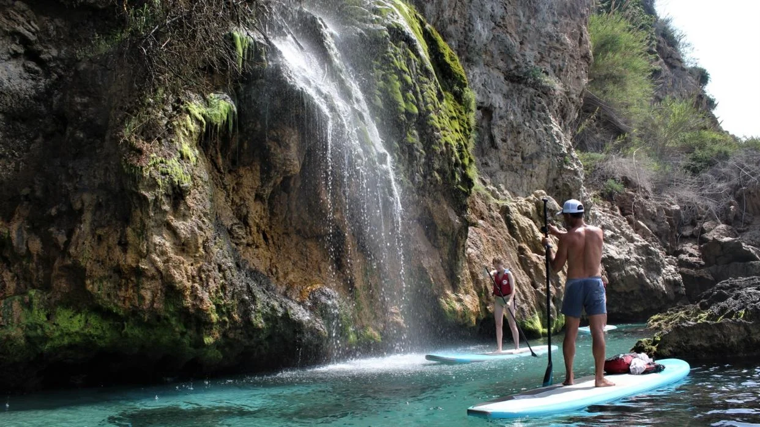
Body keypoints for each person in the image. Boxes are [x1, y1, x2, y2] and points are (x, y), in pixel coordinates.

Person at [541, 199, 614, 387]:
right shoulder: (599, 232)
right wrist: (559, 234)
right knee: (597, 331)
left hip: (575, 284)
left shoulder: (567, 238)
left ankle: (569, 378)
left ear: (568, 215)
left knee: (571, 333)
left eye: (564, 216)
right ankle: (599, 378)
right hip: (594, 283)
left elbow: (556, 267)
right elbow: (580, 237)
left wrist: (548, 247)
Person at [490, 258, 519, 353]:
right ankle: (499, 349)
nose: (497, 267)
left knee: (512, 324)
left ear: (502, 264)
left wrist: (510, 301)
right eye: (495, 265)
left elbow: (513, 290)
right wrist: (487, 271)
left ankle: (517, 347)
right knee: (498, 324)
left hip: (508, 298)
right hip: (498, 299)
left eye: (499, 264)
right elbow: (486, 275)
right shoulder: (495, 273)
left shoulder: (508, 274)